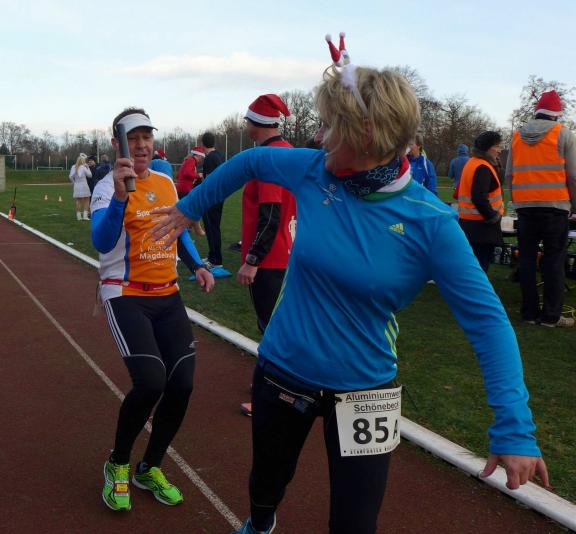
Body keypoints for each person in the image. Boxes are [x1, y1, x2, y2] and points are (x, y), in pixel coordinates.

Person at [151, 34, 548, 534]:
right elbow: (251, 162)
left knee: (356, 522)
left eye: (330, 128)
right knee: (266, 485)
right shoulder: (314, 171)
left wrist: (514, 426)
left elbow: (488, 323)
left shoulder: (431, 223)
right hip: (284, 368)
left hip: (366, 388)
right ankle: (261, 523)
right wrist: (189, 208)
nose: (319, 138)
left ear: (366, 137)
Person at [91, 107, 215, 513]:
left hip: (168, 294)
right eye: (133, 138)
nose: (142, 145)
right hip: (125, 294)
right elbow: (101, 242)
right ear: (118, 144)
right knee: (150, 382)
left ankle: (150, 467)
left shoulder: (164, 181)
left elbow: (177, 229)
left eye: (146, 137)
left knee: (182, 385)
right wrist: (120, 197)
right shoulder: (107, 187)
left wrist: (197, 265)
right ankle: (118, 464)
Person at [237, 94, 297, 417]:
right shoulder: (289, 151)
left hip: (271, 260)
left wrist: (253, 260)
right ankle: (271, 387)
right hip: (288, 254)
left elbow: (270, 214)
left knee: (273, 331)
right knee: (280, 327)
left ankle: (272, 395)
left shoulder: (268, 158)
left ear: (254, 124)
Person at [506, 90, 576, 328]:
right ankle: (551, 316)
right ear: (556, 115)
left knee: (526, 260)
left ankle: (529, 313)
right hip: (555, 207)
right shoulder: (564, 134)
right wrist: (574, 205)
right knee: (554, 261)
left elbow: (509, 175)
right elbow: (573, 176)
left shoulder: (517, 136)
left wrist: (518, 201)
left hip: (525, 208)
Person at [456, 131, 504, 272]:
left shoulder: (472, 162)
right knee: (480, 267)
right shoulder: (483, 167)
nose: (500, 150)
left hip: (469, 224)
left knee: (471, 266)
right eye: (497, 146)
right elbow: (478, 197)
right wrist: (493, 217)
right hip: (481, 227)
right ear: (488, 148)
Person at [200, 132, 226, 268]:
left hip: (212, 198)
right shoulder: (219, 155)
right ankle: (213, 256)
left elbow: (209, 181)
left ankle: (216, 260)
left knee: (212, 228)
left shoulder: (210, 158)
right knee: (214, 228)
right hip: (219, 196)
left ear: (202, 144)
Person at [175, 146, 206, 235]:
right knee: (189, 209)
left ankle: (186, 228)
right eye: (201, 157)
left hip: (183, 188)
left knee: (185, 209)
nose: (201, 160)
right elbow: (187, 173)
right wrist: (197, 175)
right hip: (185, 189)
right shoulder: (191, 161)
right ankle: (187, 228)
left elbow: (179, 175)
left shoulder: (188, 161)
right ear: (198, 156)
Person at [68, 153, 92, 220]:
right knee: (87, 199)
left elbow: (70, 177)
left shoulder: (73, 167)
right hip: (84, 185)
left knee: (78, 201)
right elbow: (90, 175)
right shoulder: (84, 167)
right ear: (83, 161)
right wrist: (88, 168)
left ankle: (79, 217)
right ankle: (85, 216)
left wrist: (74, 183)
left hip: (77, 185)